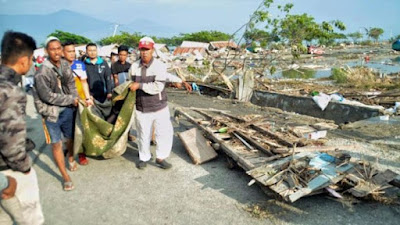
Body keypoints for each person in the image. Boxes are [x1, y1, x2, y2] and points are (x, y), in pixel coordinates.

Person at [0, 30, 44, 224]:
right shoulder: (10, 92)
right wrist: (24, 169)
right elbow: (12, 141)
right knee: (29, 219)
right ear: (25, 60)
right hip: (9, 171)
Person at [129, 37, 191, 170]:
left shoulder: (159, 66)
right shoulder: (134, 66)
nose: (144, 52)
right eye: (142, 50)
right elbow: (131, 82)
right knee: (143, 133)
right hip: (142, 106)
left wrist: (139, 85)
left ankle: (161, 157)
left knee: (163, 133)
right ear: (139, 51)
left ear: (152, 50)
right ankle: (144, 157)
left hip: (159, 106)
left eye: (147, 49)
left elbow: (158, 86)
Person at [33, 36, 79, 191]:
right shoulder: (42, 72)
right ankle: (65, 176)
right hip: (50, 113)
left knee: (70, 138)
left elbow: (71, 84)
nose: (57, 52)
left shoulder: (65, 65)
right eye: (53, 49)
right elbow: (47, 97)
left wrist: (76, 98)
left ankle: (71, 157)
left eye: (59, 48)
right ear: (47, 51)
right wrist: (70, 99)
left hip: (67, 110)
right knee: (56, 143)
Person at [62, 41, 93, 166]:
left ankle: (81, 154)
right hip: (65, 103)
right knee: (68, 131)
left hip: (80, 102)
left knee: (81, 129)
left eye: (73, 51)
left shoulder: (80, 65)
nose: (72, 54)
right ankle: (69, 150)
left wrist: (87, 98)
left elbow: (84, 82)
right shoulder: (58, 67)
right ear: (62, 53)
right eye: (69, 51)